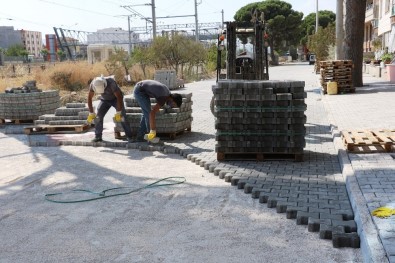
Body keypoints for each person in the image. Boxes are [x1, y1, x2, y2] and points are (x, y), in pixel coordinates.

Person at [87, 75, 133, 143]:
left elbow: (119, 97)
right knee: (98, 116)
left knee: (122, 116)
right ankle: (98, 136)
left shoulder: (111, 82)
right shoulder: (93, 84)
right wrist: (91, 113)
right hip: (104, 100)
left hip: (116, 99)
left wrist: (118, 112)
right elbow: (89, 98)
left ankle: (129, 136)